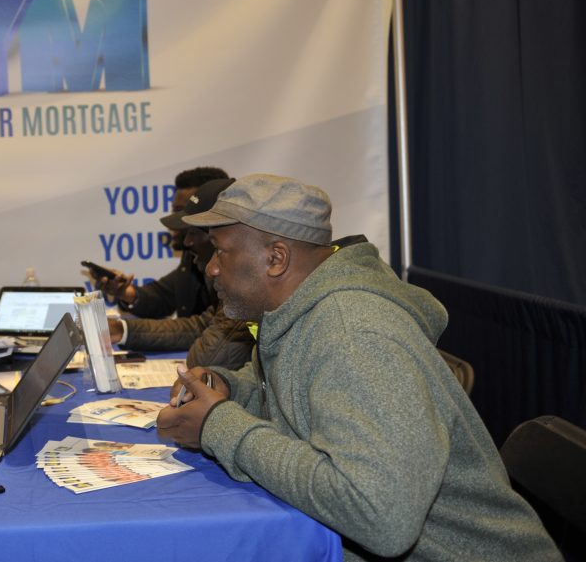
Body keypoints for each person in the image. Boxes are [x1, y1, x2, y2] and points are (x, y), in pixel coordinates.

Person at [157, 174, 560, 561]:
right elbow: (292, 401)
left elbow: (381, 517)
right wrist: (228, 388)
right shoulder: (295, 315)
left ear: (275, 258)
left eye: (221, 251)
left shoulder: (354, 334)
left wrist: (219, 425)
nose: (210, 268)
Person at [108, 178, 256, 369]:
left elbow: (206, 359)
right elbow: (202, 324)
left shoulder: (248, 284)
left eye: (193, 232)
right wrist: (123, 329)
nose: (186, 241)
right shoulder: (194, 261)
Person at [93, 166, 229, 318]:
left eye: (182, 212)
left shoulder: (233, 266)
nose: (172, 222)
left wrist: (123, 331)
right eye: (174, 210)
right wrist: (126, 292)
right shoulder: (192, 256)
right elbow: (164, 296)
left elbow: (202, 328)